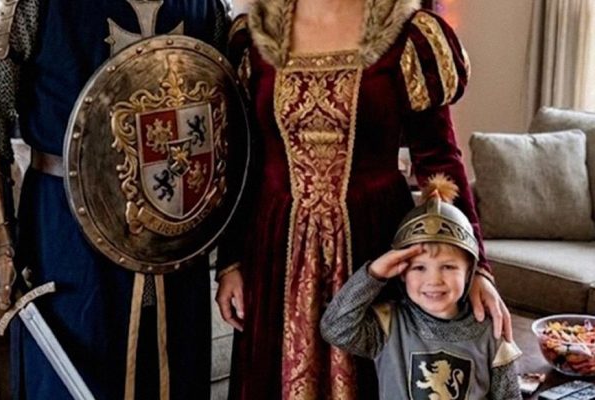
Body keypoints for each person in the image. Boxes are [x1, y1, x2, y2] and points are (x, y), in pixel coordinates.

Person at [215, 1, 513, 398]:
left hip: (372, 241)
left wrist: (476, 266)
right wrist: (231, 261)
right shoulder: (254, 36)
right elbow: (244, 161)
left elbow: (439, 162)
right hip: (276, 251)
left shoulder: (408, 35)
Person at [0, 1, 230, 398]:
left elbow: (223, 115)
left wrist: (232, 255)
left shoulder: (204, 5)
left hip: (178, 242)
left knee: (177, 376)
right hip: (69, 233)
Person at [320, 176, 522, 399]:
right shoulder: (388, 325)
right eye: (419, 268)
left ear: (469, 273)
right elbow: (335, 328)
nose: (434, 280)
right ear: (402, 272)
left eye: (448, 266)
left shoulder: (490, 333)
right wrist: (374, 274)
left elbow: (509, 396)